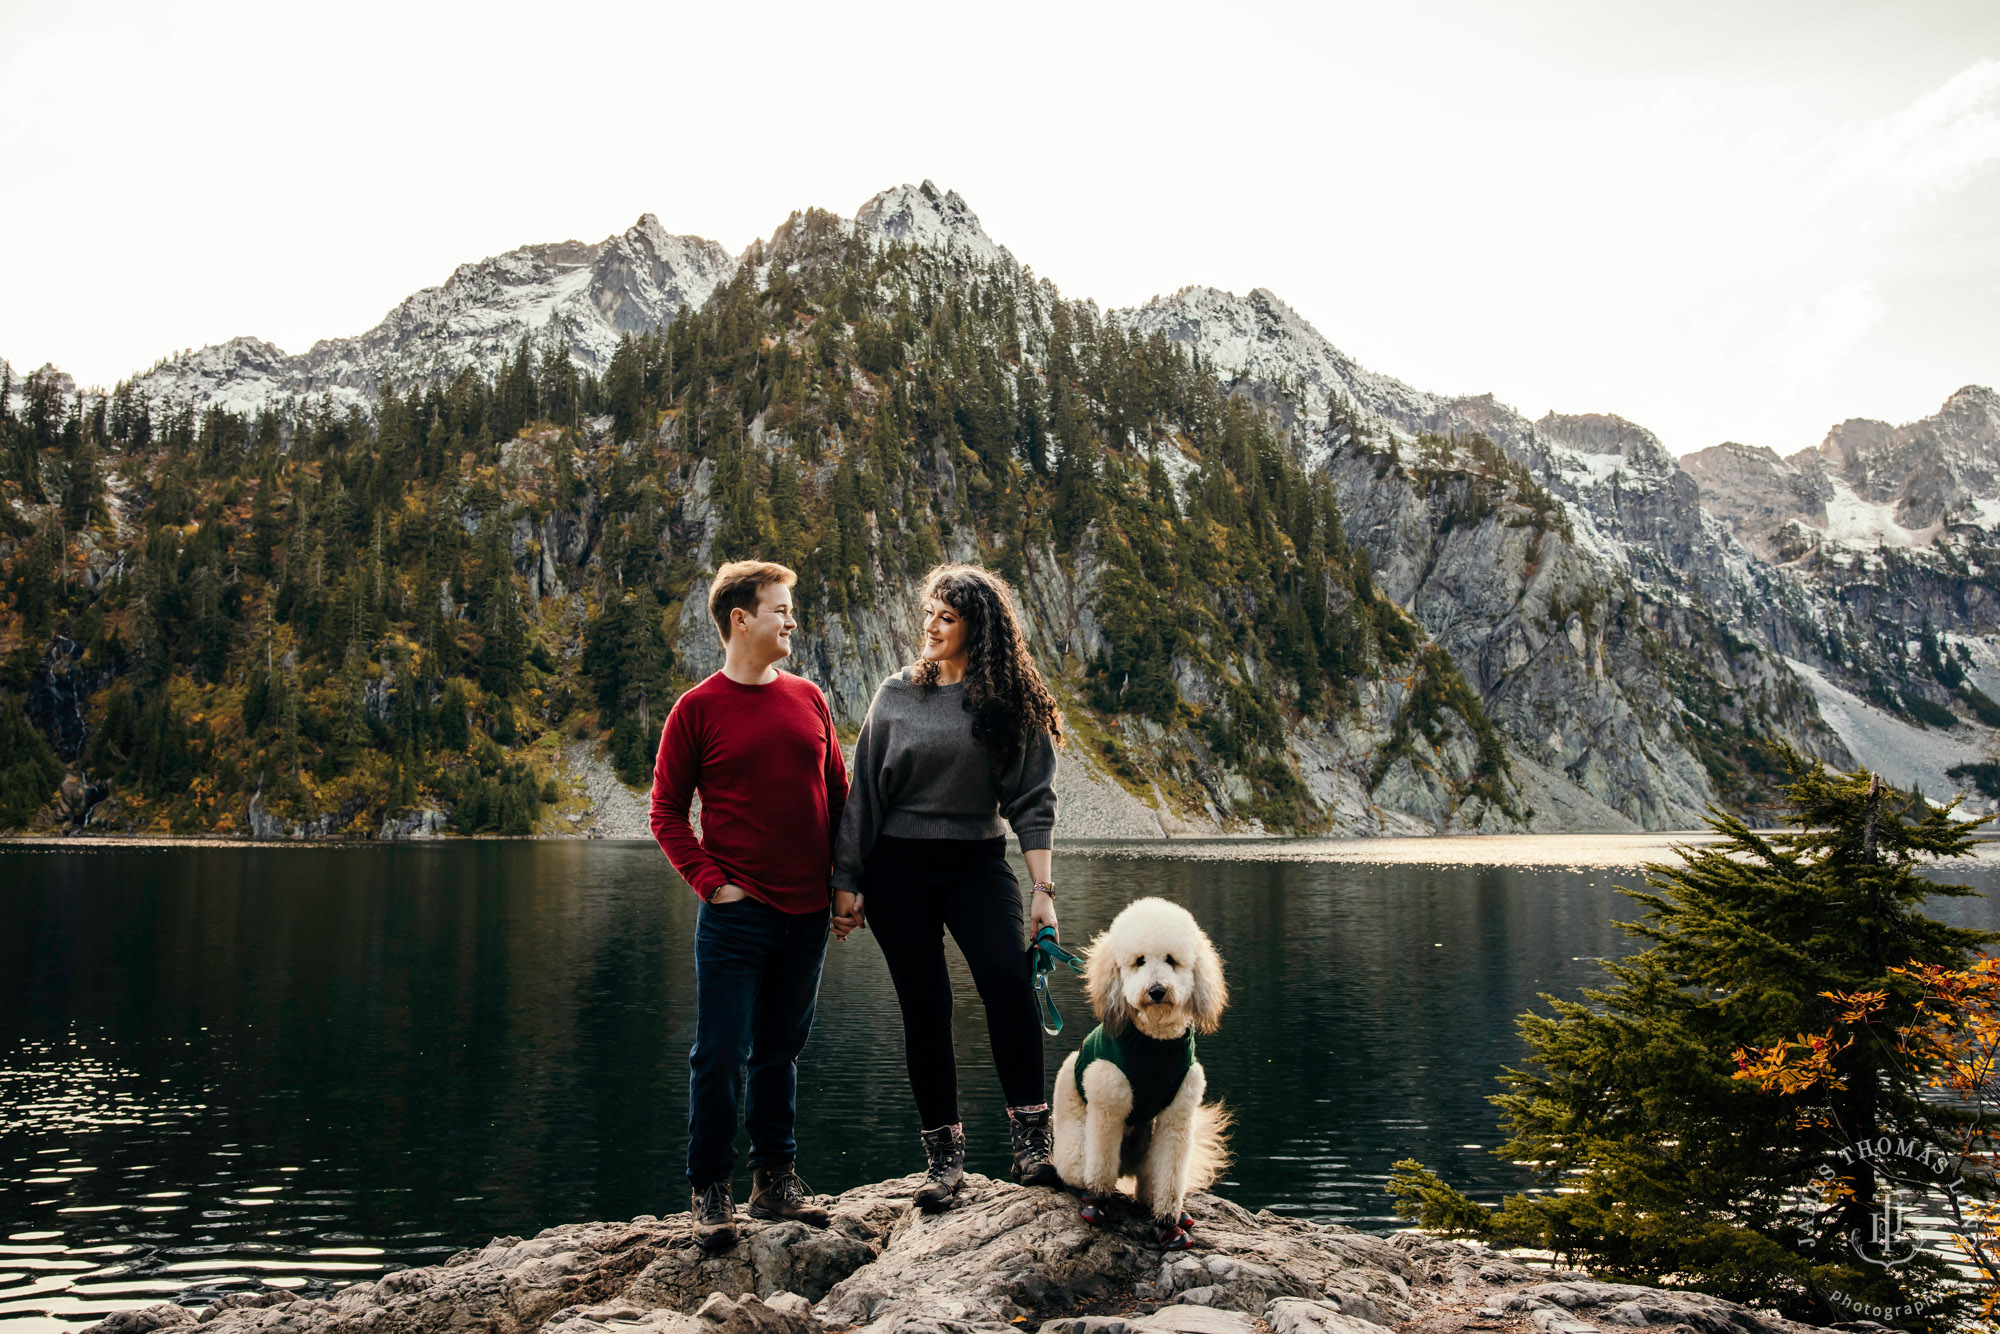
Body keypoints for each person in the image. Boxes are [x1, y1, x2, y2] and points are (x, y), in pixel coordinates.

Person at [831, 563, 1065, 1210]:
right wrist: (846, 880)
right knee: (924, 1006)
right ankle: (943, 1161)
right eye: (928, 613)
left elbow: (1033, 802)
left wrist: (1043, 892)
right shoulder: (895, 694)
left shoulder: (1008, 702)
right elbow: (863, 798)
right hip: (897, 869)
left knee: (1006, 980)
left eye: (946, 617)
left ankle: (1032, 1144)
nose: (930, 626)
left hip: (977, 864)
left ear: (977, 628)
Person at [651, 560, 848, 1253]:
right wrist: (713, 885)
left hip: (808, 913)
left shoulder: (810, 699)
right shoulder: (696, 709)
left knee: (780, 1051)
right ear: (741, 619)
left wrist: (847, 885)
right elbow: (666, 814)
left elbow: (842, 803)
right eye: (781, 609)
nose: (792, 621)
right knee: (721, 1052)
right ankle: (710, 1191)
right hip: (737, 913)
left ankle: (776, 1182)